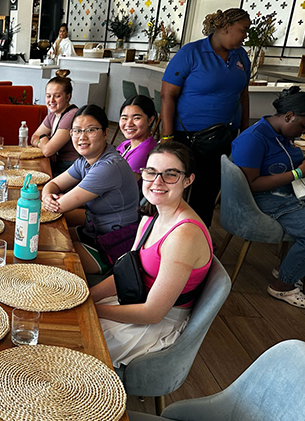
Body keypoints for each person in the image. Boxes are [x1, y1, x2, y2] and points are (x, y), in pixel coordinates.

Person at [90, 142, 213, 368]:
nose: (157, 182)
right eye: (151, 172)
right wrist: (87, 297)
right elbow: (128, 274)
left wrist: (91, 309)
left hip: (155, 324)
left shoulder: (184, 236)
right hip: (135, 299)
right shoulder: (151, 216)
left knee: (74, 339)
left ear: (188, 180)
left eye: (171, 175)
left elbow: (153, 313)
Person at [160, 8, 251, 227]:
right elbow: (167, 95)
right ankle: (167, 230)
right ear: (226, 27)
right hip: (188, 136)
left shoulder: (241, 56)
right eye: (243, 30)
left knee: (208, 189)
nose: (245, 36)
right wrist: (167, 137)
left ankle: (199, 233)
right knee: (178, 187)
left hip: (223, 136)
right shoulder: (191, 53)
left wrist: (246, 132)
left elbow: (243, 94)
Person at [232, 86, 305, 309]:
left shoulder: (278, 133)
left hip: (285, 190)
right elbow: (251, 184)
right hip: (265, 198)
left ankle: (292, 265)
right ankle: (282, 285)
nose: (303, 132)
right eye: (303, 127)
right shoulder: (254, 139)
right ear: (289, 116)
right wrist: (299, 172)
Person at [42, 105, 140, 274]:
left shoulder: (108, 167)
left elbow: (61, 205)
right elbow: (53, 184)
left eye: (90, 130)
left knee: (50, 257)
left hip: (115, 246)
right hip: (94, 232)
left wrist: (52, 199)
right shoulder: (86, 160)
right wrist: (46, 195)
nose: (82, 137)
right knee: (46, 237)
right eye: (76, 131)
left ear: (105, 133)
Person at [30, 69, 79, 177]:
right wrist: (43, 144)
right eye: (48, 96)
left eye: (57, 96)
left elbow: (47, 151)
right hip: (59, 164)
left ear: (67, 97)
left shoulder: (71, 116)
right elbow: (33, 137)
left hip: (72, 168)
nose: (51, 100)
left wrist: (44, 139)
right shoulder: (53, 114)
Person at [116, 95, 158, 181]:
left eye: (136, 118)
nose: (129, 123)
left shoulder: (144, 152)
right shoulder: (127, 144)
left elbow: (122, 186)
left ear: (150, 120)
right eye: (124, 118)